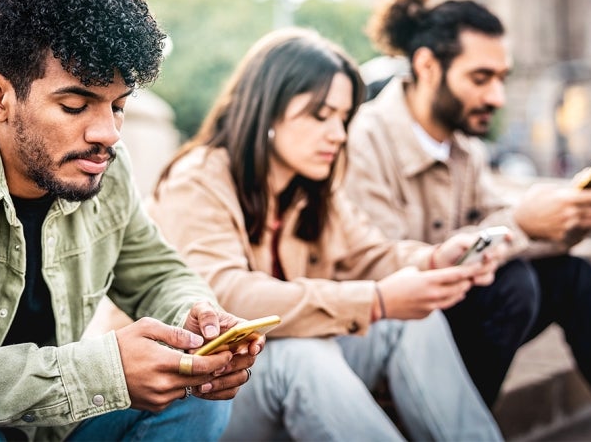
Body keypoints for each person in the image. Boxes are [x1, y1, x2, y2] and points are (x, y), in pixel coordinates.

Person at [0, 0, 262, 441]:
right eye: (76, 105)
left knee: (194, 395)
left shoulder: (103, 168)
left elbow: (158, 272)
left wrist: (196, 320)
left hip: (54, 427)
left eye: (119, 106)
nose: (107, 133)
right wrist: (95, 372)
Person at [145, 27, 504, 441]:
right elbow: (225, 294)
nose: (338, 133)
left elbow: (371, 253)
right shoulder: (198, 179)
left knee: (410, 321)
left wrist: (433, 259)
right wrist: (375, 301)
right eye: (320, 116)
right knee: (301, 355)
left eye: (343, 117)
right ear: (268, 109)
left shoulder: (313, 189)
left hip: (269, 379)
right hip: (197, 397)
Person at [344, 0, 591, 439]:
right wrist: (521, 222)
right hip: (388, 332)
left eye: (502, 78)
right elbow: (384, 265)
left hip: (449, 315)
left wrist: (571, 221)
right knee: (512, 288)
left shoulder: (464, 148)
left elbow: (499, 221)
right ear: (426, 66)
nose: (497, 96)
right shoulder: (364, 142)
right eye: (481, 78)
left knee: (572, 277)